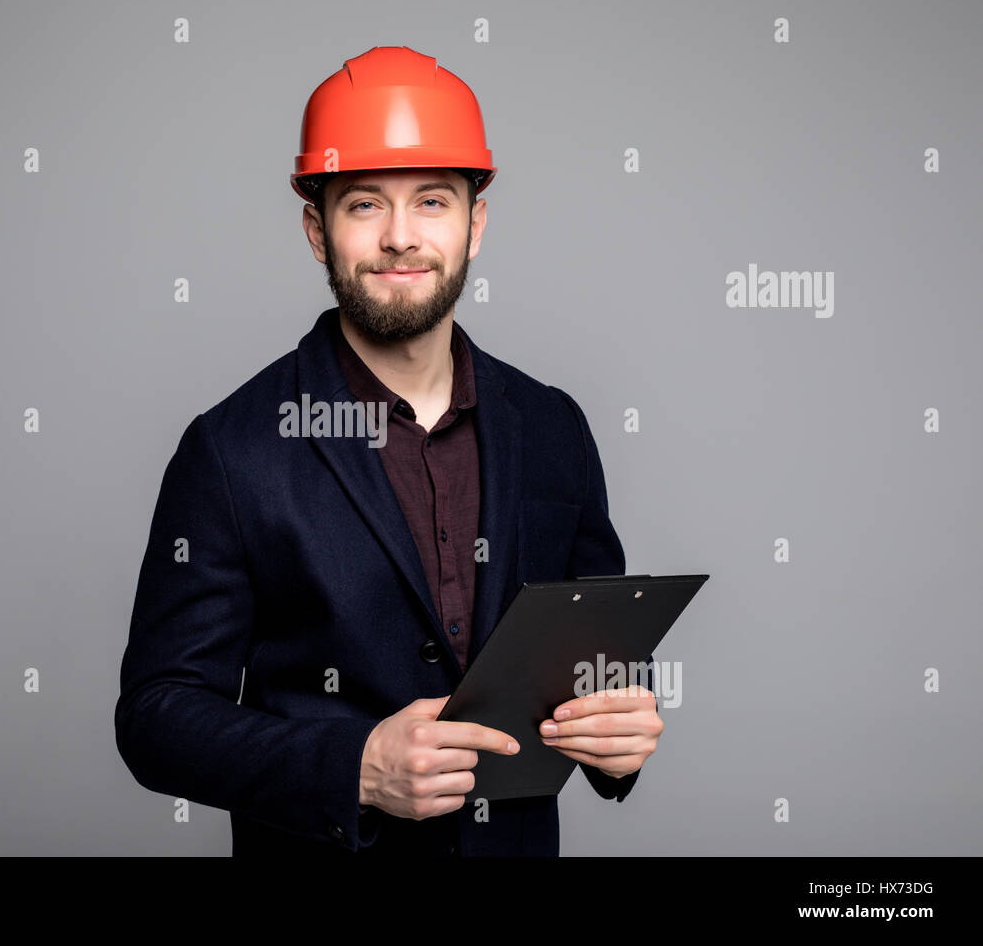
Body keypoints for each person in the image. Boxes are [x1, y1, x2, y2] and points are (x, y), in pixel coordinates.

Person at [114, 45, 662, 856]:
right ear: (317, 229)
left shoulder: (553, 428)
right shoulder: (230, 452)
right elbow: (156, 716)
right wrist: (357, 766)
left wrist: (621, 724)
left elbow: (595, 653)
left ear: (474, 224)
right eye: (365, 204)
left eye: (433, 202)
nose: (401, 238)